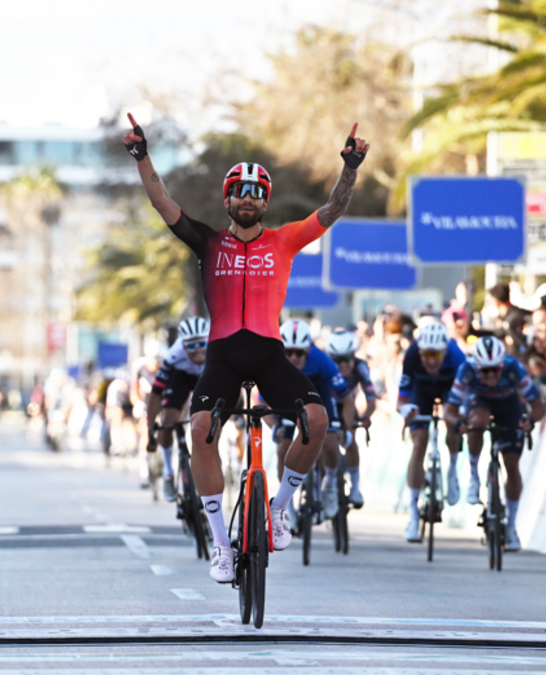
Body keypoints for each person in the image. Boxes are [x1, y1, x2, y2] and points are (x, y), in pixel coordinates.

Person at [122, 113, 368, 582]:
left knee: (317, 420)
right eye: (241, 193)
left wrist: (350, 167)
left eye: (257, 194)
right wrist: (142, 156)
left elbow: (333, 209)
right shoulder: (208, 243)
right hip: (223, 358)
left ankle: (279, 509)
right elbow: (161, 201)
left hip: (268, 354)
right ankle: (220, 545)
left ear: (265, 203)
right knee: (200, 431)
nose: (249, 200)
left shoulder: (285, 241)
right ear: (229, 200)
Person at [444, 335, 546, 552]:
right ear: (477, 367)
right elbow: (449, 411)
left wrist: (530, 421)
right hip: (479, 403)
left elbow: (538, 406)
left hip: (509, 407)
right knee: (477, 422)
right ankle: (474, 477)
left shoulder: (514, 368)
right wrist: (459, 423)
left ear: (502, 366)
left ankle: (511, 527)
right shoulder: (467, 369)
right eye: (485, 371)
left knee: (511, 465)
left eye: (495, 370)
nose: (490, 375)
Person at [276, 320, 355, 521]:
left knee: (330, 443)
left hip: (319, 398)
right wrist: (273, 426)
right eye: (289, 352)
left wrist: (345, 427)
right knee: (282, 449)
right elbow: (261, 402)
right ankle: (287, 506)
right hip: (289, 402)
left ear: (308, 350)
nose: (293, 357)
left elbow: (347, 399)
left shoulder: (322, 361)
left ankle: (329, 484)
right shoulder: (274, 362)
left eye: (299, 353)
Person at [397, 322, 466, 543]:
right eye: (427, 354)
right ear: (420, 351)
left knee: (452, 422)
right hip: (421, 392)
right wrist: (406, 409)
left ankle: (452, 468)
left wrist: (457, 415)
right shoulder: (411, 356)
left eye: (436, 354)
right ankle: (413, 516)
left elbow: (465, 399)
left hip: (449, 390)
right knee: (419, 445)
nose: (431, 359)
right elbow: (401, 400)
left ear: (445, 351)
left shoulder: (457, 358)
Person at [147, 316, 209, 502]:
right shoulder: (174, 356)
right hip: (180, 377)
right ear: (183, 345)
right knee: (167, 420)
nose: (197, 349)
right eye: (190, 345)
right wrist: (151, 429)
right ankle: (168, 471)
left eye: (201, 343)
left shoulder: (217, 349)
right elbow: (155, 394)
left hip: (206, 376)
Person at [324, 328, 377, 507]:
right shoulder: (323, 366)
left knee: (350, 438)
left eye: (347, 358)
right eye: (337, 360)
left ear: (354, 355)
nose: (343, 365)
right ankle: (321, 484)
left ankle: (355, 487)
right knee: (322, 442)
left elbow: (371, 397)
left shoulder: (361, 367)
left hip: (348, 405)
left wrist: (366, 416)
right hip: (325, 404)